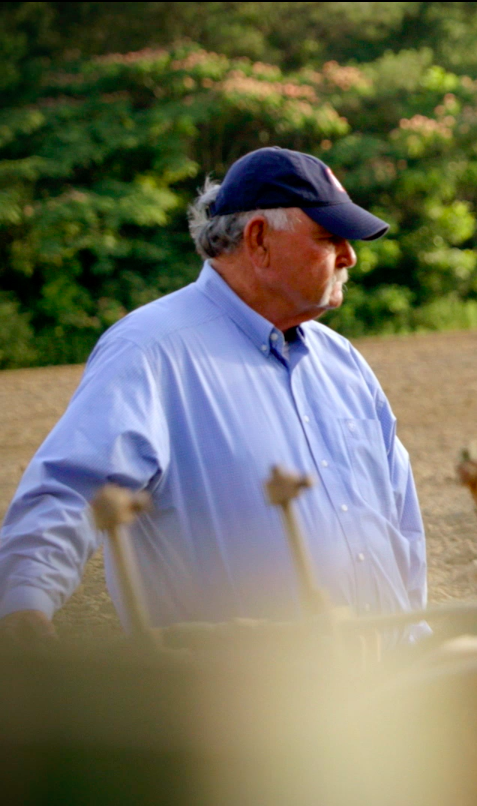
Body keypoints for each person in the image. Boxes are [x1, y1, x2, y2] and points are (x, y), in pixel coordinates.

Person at [0, 147, 426, 644]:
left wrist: (415, 643)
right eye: (330, 238)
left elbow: (400, 524)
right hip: (230, 702)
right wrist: (22, 607)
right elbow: (73, 492)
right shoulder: (151, 351)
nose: (350, 256)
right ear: (259, 239)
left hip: (388, 695)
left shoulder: (343, 363)